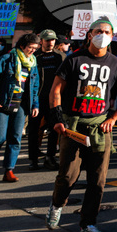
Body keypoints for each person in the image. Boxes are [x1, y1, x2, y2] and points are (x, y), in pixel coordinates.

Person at [46, 17, 117, 232]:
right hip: (73, 126)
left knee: (97, 179)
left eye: (107, 32)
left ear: (112, 36)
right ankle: (57, 203)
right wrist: (57, 118)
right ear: (89, 34)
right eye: (99, 31)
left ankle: (88, 222)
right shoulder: (73, 60)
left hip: (100, 128)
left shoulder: (116, 63)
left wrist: (113, 119)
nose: (102, 35)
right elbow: (56, 90)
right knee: (68, 175)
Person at [0, 33, 41, 182]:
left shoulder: (33, 62)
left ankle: (8, 170)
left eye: (35, 48)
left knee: (15, 137)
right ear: (22, 46)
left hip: (21, 104)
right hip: (1, 103)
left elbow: (35, 85)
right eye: (30, 48)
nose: (32, 51)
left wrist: (35, 104)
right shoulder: (6, 59)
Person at [28, 30, 65, 170]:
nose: (50, 43)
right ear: (41, 41)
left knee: (54, 129)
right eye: (47, 40)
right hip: (37, 99)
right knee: (33, 130)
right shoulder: (34, 56)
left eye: (53, 40)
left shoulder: (60, 57)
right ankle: (33, 159)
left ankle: (50, 157)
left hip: (54, 99)